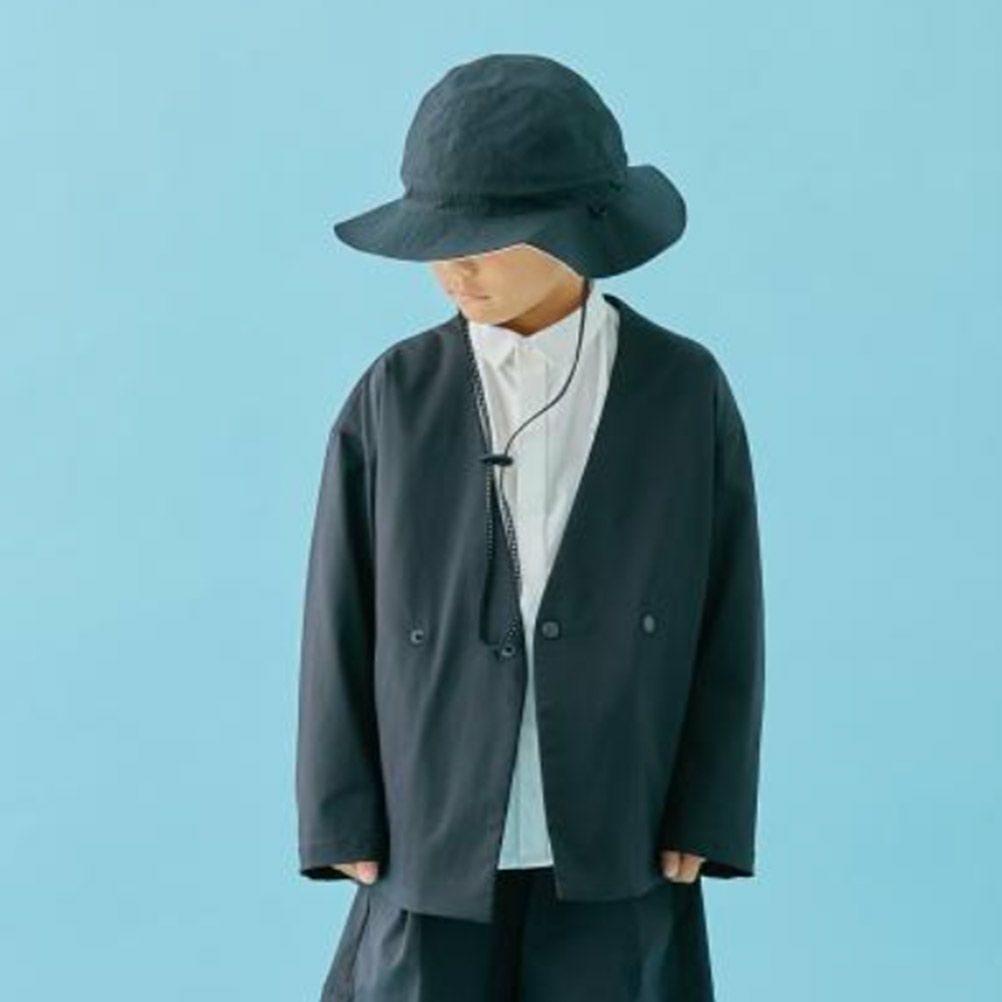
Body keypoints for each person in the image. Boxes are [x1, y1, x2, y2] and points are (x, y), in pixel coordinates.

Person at [296, 53, 765, 1001]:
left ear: (566, 226)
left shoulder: (681, 389)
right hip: (430, 812)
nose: (451, 266)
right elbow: (338, 610)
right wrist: (339, 814)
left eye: (479, 237)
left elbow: (729, 609)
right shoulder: (395, 394)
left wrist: (709, 810)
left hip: (620, 811)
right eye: (437, 238)